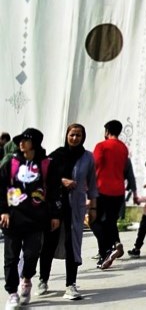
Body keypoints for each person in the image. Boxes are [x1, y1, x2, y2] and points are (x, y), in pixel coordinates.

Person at [0, 128, 61, 310]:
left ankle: (26, 280)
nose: (21, 143)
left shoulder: (46, 164)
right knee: (11, 258)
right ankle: (12, 293)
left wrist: (55, 215)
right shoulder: (10, 162)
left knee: (31, 254)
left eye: (26, 140)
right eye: (20, 140)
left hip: (36, 219)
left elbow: (54, 191)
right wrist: (3, 211)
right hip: (12, 218)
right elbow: (0, 188)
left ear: (35, 143)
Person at [39, 123, 97, 301]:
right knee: (49, 242)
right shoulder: (56, 156)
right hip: (54, 206)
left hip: (75, 208)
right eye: (72, 135)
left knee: (73, 246)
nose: (74, 138)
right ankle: (43, 280)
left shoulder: (88, 157)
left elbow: (93, 183)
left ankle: (71, 285)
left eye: (78, 135)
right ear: (66, 135)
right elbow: (44, 177)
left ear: (83, 137)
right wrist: (62, 180)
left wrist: (93, 207)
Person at [92, 120, 130, 269]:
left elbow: (93, 165)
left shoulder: (101, 146)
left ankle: (105, 252)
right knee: (110, 221)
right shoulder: (123, 148)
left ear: (107, 131)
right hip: (118, 190)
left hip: (101, 189)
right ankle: (114, 243)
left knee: (94, 221)